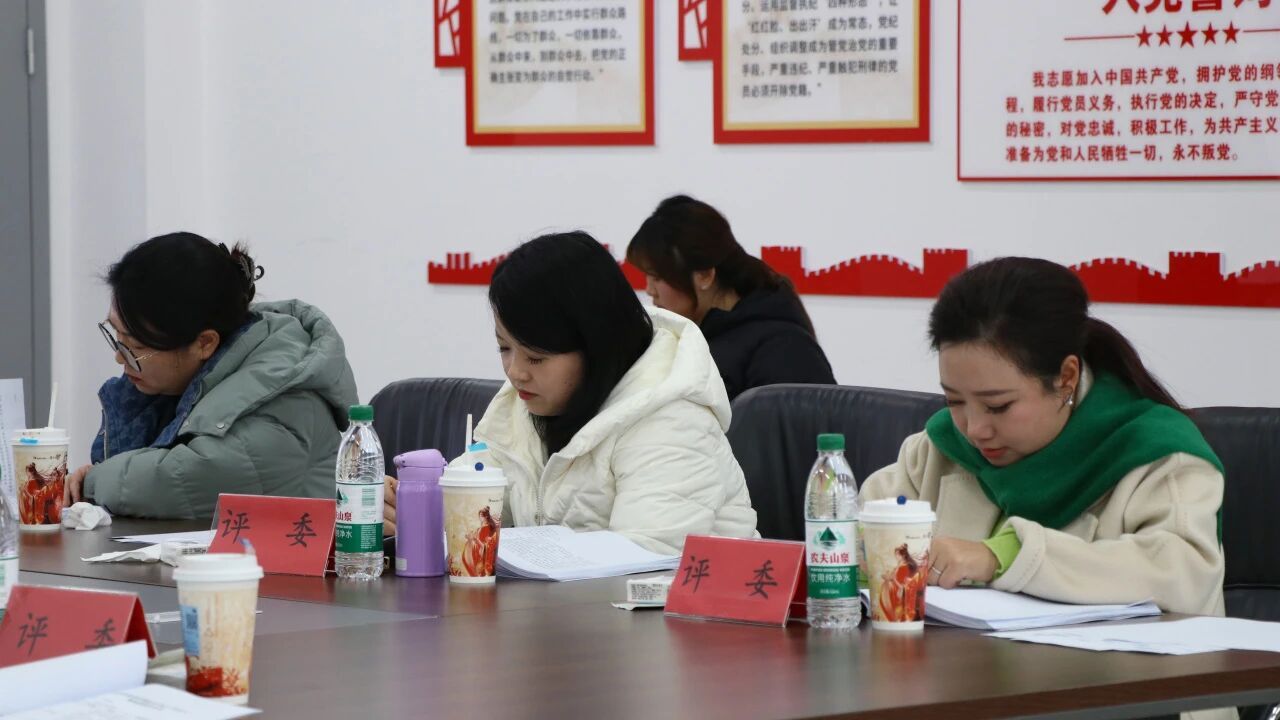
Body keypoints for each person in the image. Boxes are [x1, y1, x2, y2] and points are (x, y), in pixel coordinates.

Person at [861, 257, 1225, 618]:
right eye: (954, 401)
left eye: (998, 406)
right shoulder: (936, 452)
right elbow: (856, 536)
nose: (974, 429)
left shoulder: (1158, 455)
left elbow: (1184, 573)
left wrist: (1005, 556)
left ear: (1066, 378)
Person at [383, 231, 757, 554]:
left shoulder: (672, 420)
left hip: (690, 614)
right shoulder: (528, 401)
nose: (515, 372)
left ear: (596, 347)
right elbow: (478, 493)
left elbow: (645, 559)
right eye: (504, 348)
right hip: (566, 613)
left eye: (536, 357)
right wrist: (412, 509)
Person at [64, 232, 359, 518]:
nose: (120, 357)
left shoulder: (287, 399)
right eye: (116, 336)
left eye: (137, 347)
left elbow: (177, 480)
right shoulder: (177, 386)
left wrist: (95, 481)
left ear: (205, 343)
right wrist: (101, 476)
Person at [626, 195, 835, 400]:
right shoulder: (680, 338)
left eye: (657, 277)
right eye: (646, 277)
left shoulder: (784, 348)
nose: (649, 290)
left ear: (705, 275)